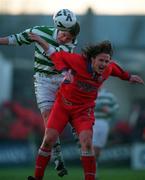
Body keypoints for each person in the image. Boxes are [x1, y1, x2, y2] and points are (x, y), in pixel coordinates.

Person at [27, 37, 144, 180]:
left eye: (107, 61)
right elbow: (55, 55)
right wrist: (64, 70)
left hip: (83, 110)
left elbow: (117, 70)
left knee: (87, 143)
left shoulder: (108, 69)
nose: (104, 64)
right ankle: (37, 178)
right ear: (92, 59)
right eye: (101, 60)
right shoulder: (77, 61)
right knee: (48, 140)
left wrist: (129, 77)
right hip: (63, 106)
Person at [0, 9, 80, 177]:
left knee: (70, 115)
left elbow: (56, 58)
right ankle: (57, 157)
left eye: (68, 37)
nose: (65, 39)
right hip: (43, 81)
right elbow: (16, 39)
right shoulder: (39, 31)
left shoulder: (71, 43)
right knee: (48, 119)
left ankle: (78, 137)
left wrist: (41, 42)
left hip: (60, 80)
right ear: (57, 27)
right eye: (64, 35)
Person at [92, 88, 119, 179]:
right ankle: (92, 173)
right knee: (93, 147)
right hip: (92, 122)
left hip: (104, 123)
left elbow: (116, 107)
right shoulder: (90, 92)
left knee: (98, 149)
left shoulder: (109, 95)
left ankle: (93, 169)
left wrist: (109, 111)